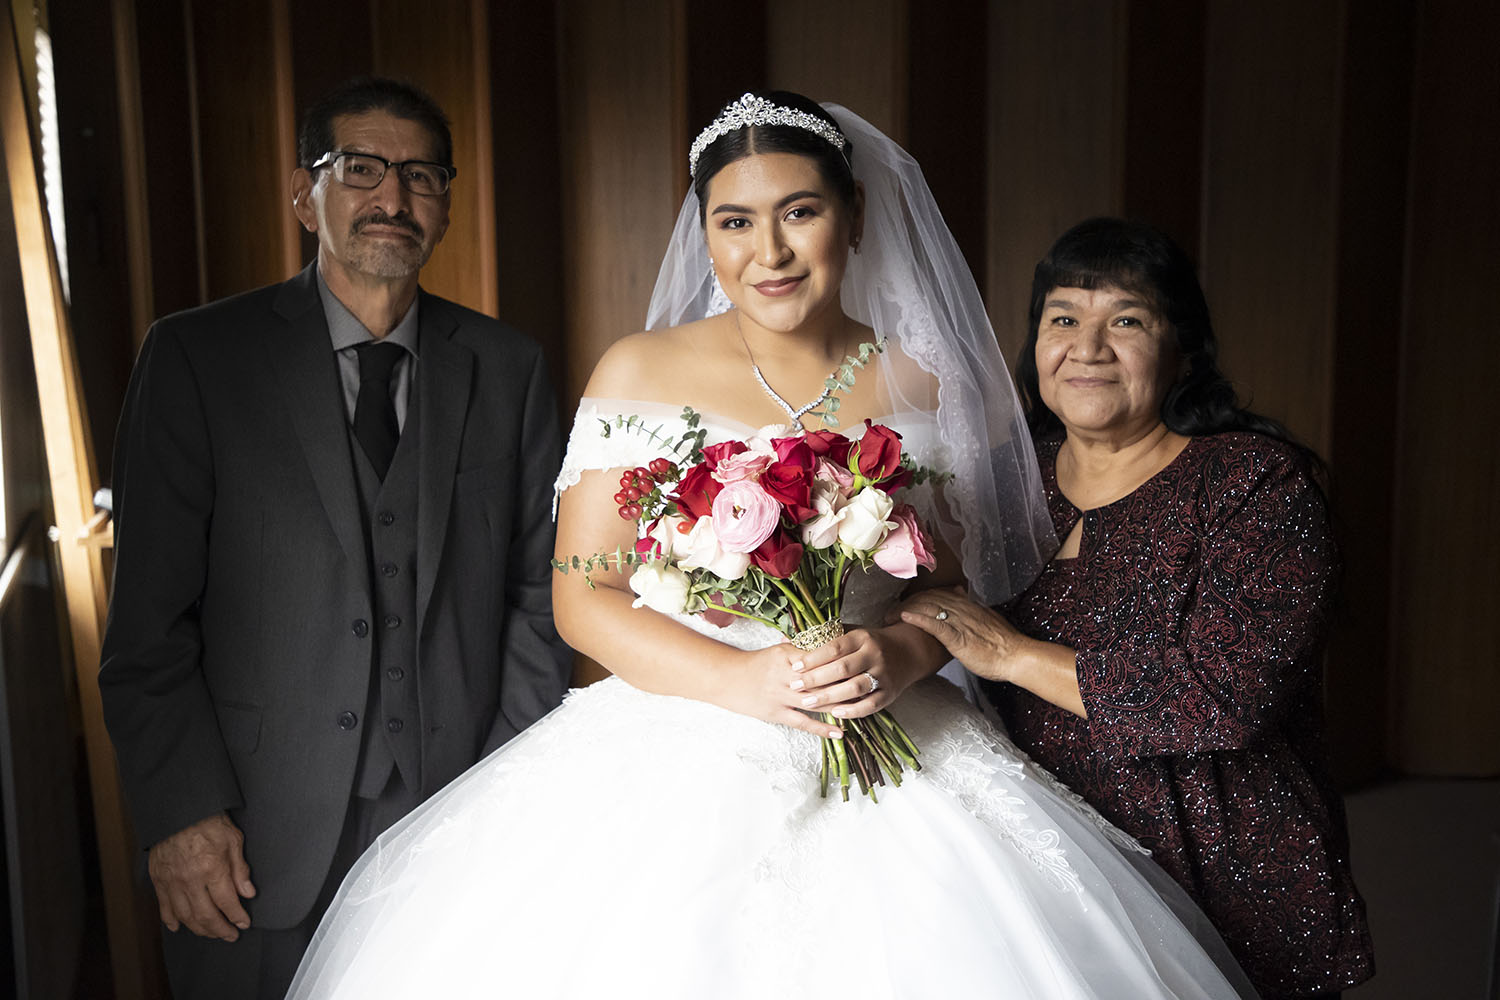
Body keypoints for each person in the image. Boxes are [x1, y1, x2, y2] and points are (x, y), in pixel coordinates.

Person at [286, 92, 1258, 999]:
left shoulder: (915, 383)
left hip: (890, 723)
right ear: (706, 231)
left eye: (800, 212)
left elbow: (948, 587)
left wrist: (895, 652)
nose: (770, 250)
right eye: (735, 221)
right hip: (683, 722)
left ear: (856, 216)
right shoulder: (640, 367)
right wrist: (745, 683)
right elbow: (586, 594)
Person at [98, 76, 572, 1000]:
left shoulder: (509, 369)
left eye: (422, 176)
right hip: (248, 839)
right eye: (361, 169)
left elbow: (538, 597)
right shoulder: (199, 358)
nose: (393, 198)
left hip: (453, 823)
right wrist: (182, 812)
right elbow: (148, 625)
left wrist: (499, 792)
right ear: (303, 195)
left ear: (445, 204)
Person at [896, 217, 1375, 999]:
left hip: (1222, 856)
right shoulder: (1002, 485)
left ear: (1181, 347)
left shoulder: (1254, 484)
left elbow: (1226, 697)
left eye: (1126, 319)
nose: (1088, 347)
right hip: (1051, 858)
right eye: (1063, 319)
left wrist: (1014, 654)